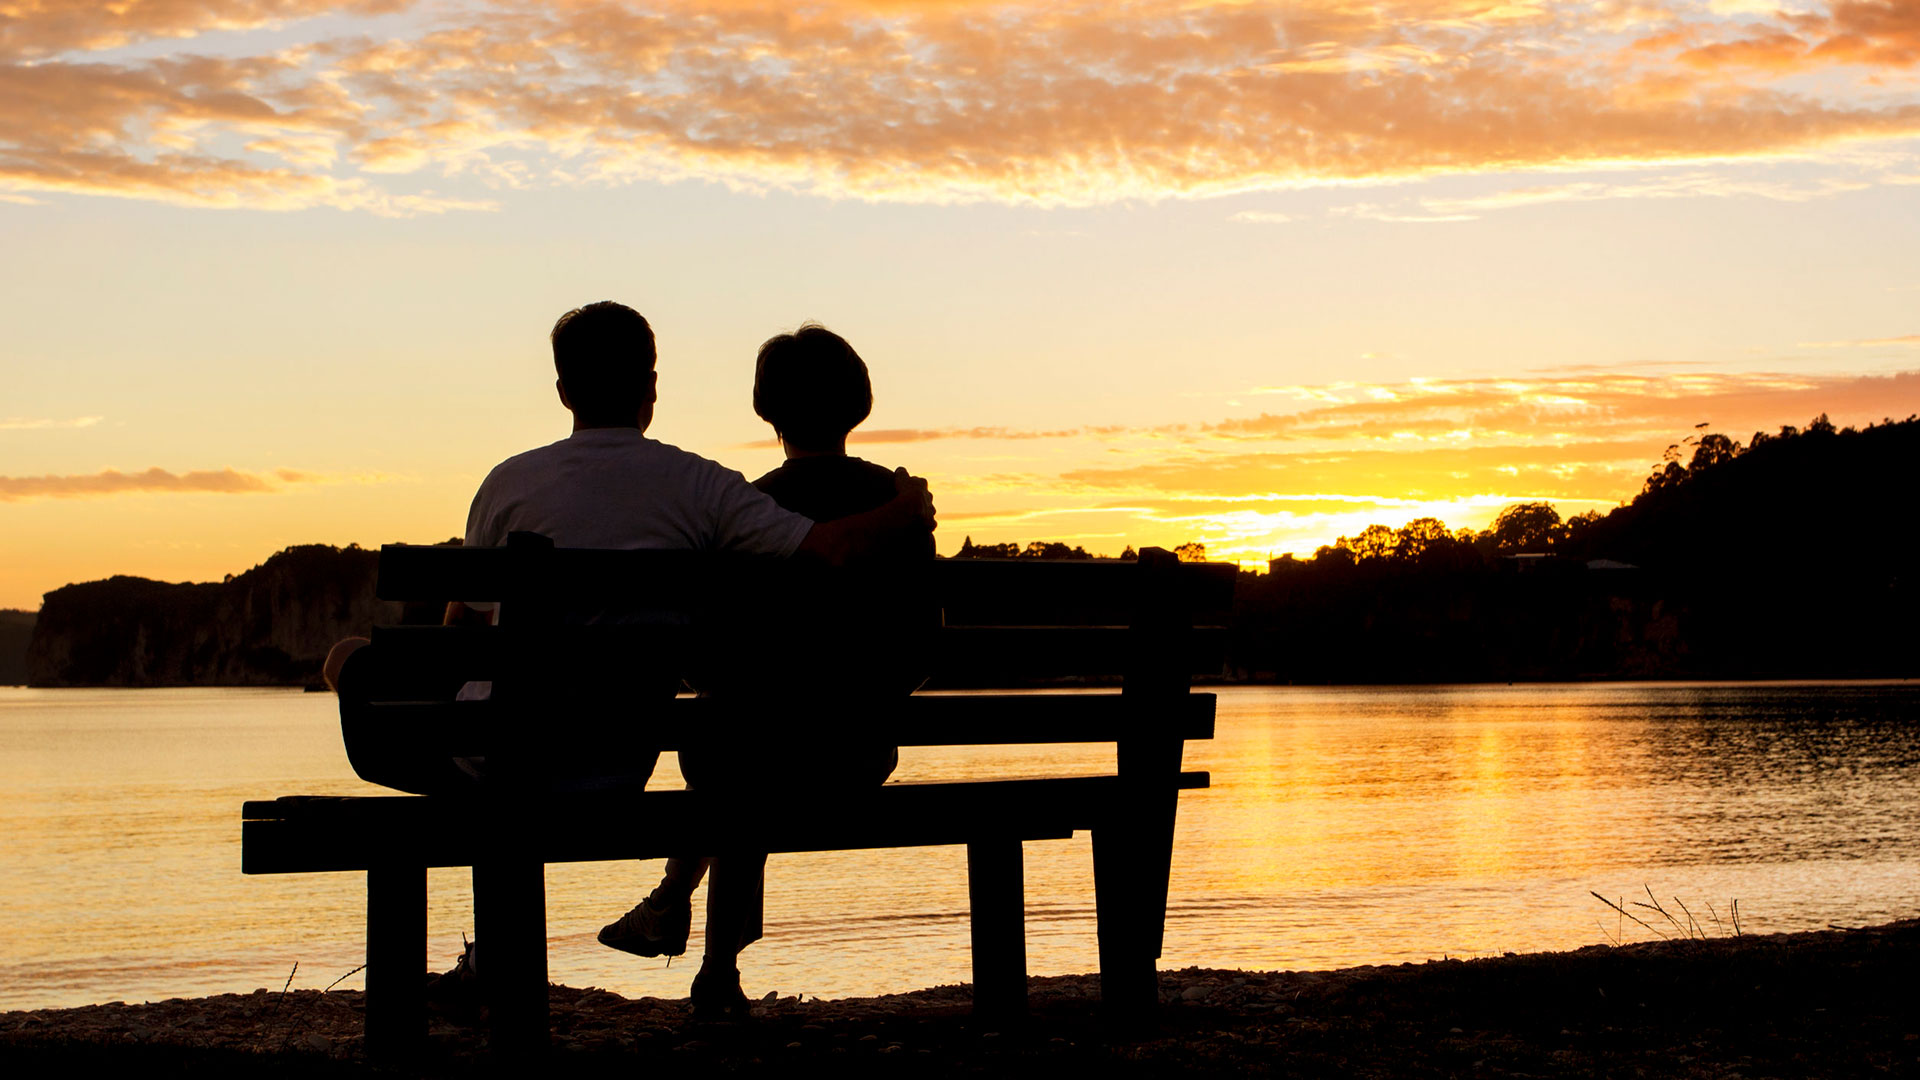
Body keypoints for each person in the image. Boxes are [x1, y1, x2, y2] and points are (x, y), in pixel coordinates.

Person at [331, 302, 934, 1010]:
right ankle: (672, 942)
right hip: (626, 763)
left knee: (360, 667)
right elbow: (838, 566)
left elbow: (461, 634)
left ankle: (505, 956)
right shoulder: (706, 488)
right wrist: (905, 509)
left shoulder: (508, 483)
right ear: (651, 385)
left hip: (514, 762)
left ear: (564, 391)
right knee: (734, 744)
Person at [595, 323, 934, 1018]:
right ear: (859, 403)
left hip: (744, 754)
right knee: (751, 743)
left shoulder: (743, 508)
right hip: (857, 754)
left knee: (739, 744)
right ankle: (690, 936)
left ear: (766, 410)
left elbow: (702, 657)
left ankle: (696, 937)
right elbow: (922, 647)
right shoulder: (899, 507)